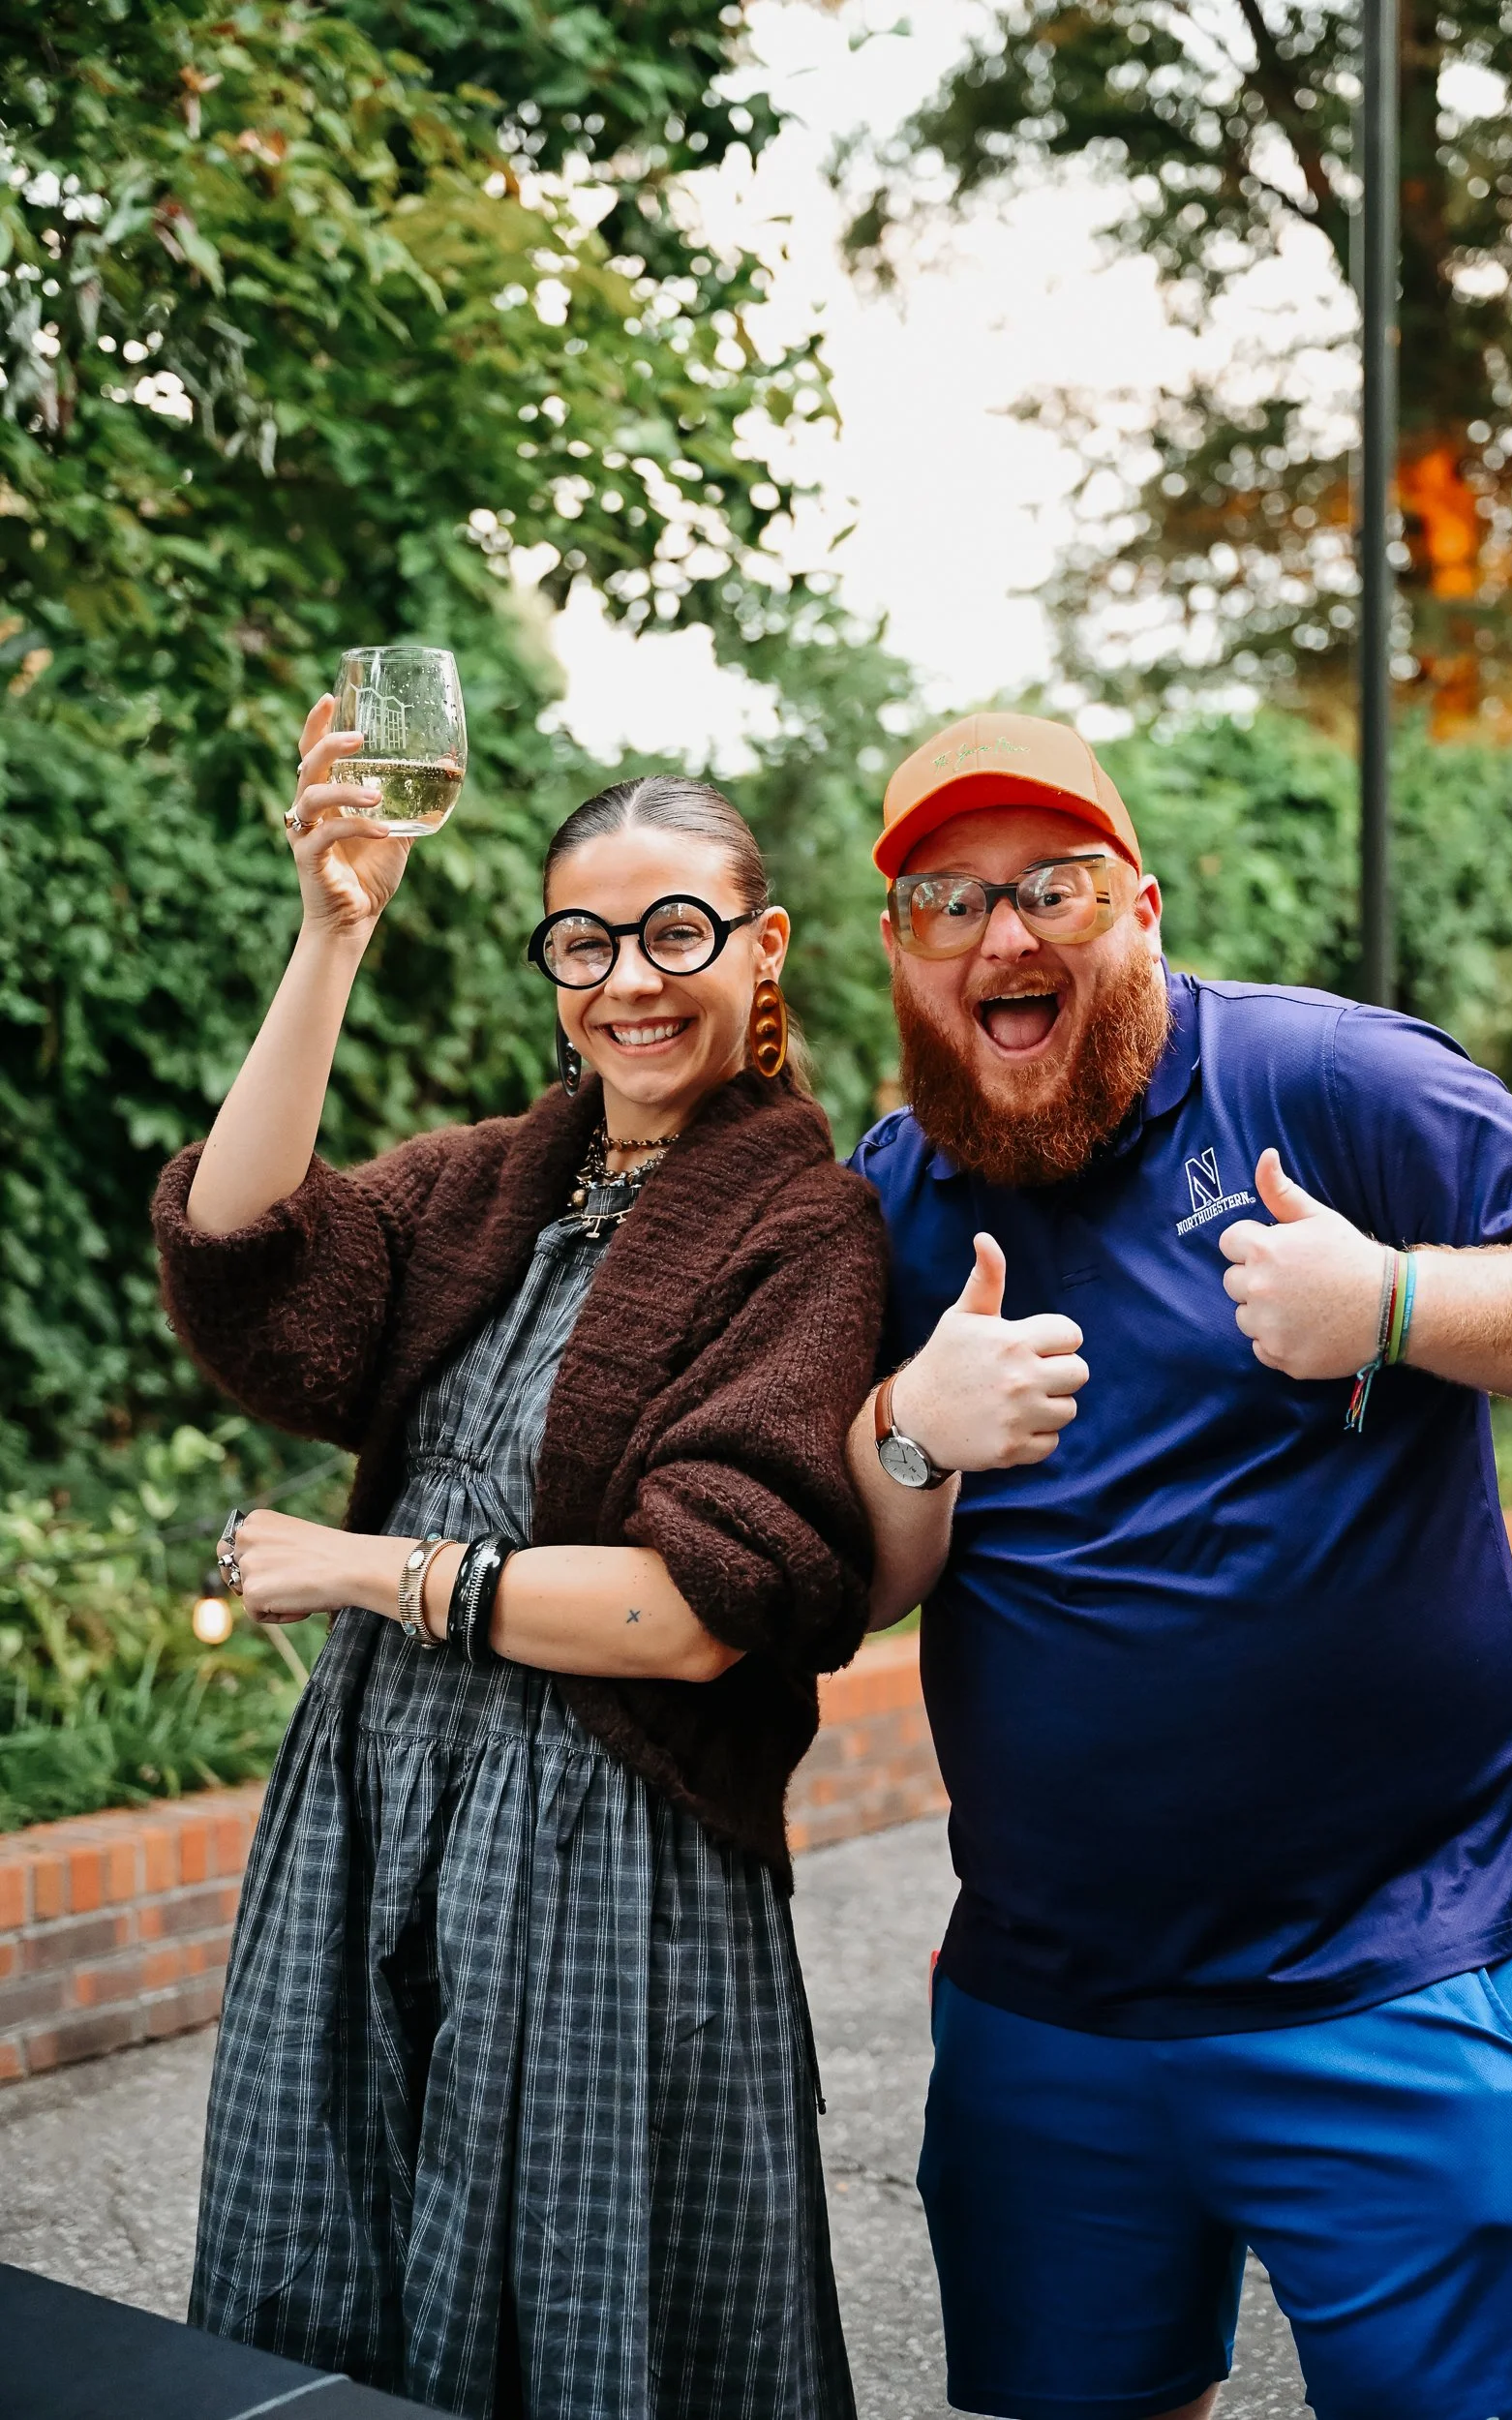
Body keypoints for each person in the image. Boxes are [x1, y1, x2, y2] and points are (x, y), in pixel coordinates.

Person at [845, 710, 1512, 2420]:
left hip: (1383, 1979)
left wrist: (1399, 1303)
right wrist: (901, 1428)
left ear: (1146, 911)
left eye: (1054, 884)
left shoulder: (1324, 1080)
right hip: (1045, 2011)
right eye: (945, 904)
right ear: (899, 955)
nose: (1004, 935)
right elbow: (857, 1590)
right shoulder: (886, 1196)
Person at [152, 696, 887, 2420]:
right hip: (370, 1802)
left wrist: (367, 1569)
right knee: (326, 2256)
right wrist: (331, 937)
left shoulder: (805, 1225)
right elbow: (246, 1244)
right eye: (586, 938)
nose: (630, 976)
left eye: (676, 930)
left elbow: (692, 1610)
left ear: (761, 945)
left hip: (603, 1830)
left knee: (577, 2301)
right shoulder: (488, 1184)